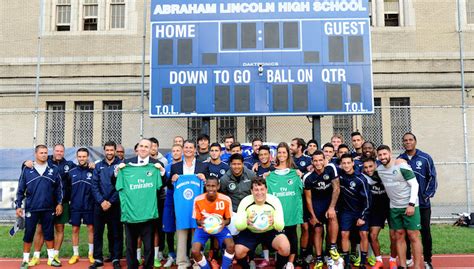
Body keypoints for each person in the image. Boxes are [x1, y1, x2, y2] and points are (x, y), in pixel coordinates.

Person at [117, 138, 165, 269]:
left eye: (146, 147)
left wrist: (161, 171)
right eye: (141, 146)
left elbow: (163, 185)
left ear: (151, 150)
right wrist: (116, 172)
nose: (143, 149)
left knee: (148, 246)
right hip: (130, 213)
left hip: (148, 213)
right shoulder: (126, 164)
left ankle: (148, 267)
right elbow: (115, 183)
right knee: (130, 246)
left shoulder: (156, 165)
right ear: (137, 148)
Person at [24, 144, 75, 267]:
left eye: (61, 151)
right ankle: (36, 256)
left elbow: (82, 167)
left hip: (61, 203)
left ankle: (54, 256)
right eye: (57, 150)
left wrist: (92, 165)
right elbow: (32, 165)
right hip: (44, 203)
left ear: (64, 152)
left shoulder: (70, 165)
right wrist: (25, 162)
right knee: (40, 229)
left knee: (59, 228)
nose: (59, 153)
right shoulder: (46, 161)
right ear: (53, 151)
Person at [16, 145, 63, 269]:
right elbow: (20, 189)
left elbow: (59, 189)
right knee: (29, 234)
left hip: (49, 208)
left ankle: (51, 259)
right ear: (35, 154)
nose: (44, 155)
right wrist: (18, 205)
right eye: (41, 152)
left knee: (49, 233)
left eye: (46, 152)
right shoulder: (27, 169)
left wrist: (59, 203)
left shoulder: (54, 169)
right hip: (32, 208)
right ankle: (25, 260)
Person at [376, 145, 423, 269]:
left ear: (390, 153)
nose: (382, 157)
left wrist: (411, 204)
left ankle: (417, 266)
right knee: (399, 235)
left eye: (385, 154)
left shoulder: (401, 165)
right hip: (394, 208)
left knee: (413, 235)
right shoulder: (379, 170)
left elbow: (415, 184)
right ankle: (402, 265)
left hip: (410, 206)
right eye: (380, 155)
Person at [398, 132, 437, 269]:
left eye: (410, 140)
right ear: (403, 143)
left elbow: (432, 178)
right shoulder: (399, 160)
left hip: (423, 204)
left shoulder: (425, 158)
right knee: (408, 232)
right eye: (405, 140)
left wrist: (426, 195)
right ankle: (408, 258)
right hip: (407, 204)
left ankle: (427, 260)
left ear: (415, 141)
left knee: (425, 232)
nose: (408, 142)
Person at [233, 177, 291, 269]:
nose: (259, 192)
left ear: (266, 190)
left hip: (270, 231)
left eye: (262, 189)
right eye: (256, 190)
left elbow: (280, 226)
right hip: (250, 232)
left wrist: (274, 222)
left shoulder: (274, 200)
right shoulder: (245, 201)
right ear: (251, 191)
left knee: (285, 247)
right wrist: (246, 222)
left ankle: (279, 267)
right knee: (238, 251)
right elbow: (239, 226)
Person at [169, 140, 209, 269]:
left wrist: (205, 179)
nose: (188, 150)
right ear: (182, 149)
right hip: (182, 206)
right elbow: (170, 185)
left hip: (198, 205)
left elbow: (209, 185)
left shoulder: (203, 166)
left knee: (197, 232)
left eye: (190, 147)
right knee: (181, 232)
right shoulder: (175, 166)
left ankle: (198, 261)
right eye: (186, 147)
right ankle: (182, 262)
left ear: (195, 150)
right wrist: (172, 180)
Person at [266, 142, 304, 269]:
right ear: (276, 155)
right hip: (277, 214)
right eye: (280, 152)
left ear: (288, 154)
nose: (282, 155)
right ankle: (281, 260)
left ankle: (290, 262)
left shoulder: (295, 173)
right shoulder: (270, 175)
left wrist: (300, 176)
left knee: (292, 235)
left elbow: (302, 190)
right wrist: (266, 177)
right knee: (279, 237)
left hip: (291, 212)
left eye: (284, 152)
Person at [303, 151, 341, 269]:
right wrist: (313, 216)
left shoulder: (331, 168)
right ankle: (319, 258)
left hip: (329, 202)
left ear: (325, 160)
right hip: (316, 205)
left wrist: (331, 207)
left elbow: (336, 188)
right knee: (318, 230)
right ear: (312, 162)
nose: (318, 163)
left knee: (332, 217)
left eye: (320, 160)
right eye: (315, 160)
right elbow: (308, 199)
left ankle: (333, 247)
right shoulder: (307, 177)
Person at [90, 141, 123, 269]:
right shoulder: (98, 166)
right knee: (98, 233)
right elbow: (94, 185)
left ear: (115, 151)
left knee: (115, 232)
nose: (109, 152)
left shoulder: (121, 165)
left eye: (111, 150)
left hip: (114, 205)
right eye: (107, 150)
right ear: (104, 151)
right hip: (100, 205)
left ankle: (115, 258)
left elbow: (121, 186)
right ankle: (98, 259)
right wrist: (102, 201)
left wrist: (110, 201)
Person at [191, 176, 235, 269]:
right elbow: (197, 221)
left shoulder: (226, 199)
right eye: (208, 186)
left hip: (219, 227)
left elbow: (228, 220)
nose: (211, 188)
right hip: (203, 228)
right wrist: (202, 223)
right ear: (205, 186)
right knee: (195, 251)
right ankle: (206, 267)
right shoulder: (198, 200)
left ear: (218, 186)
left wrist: (223, 222)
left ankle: (225, 267)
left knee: (231, 246)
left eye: (213, 186)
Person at [361, 158, 396, 269]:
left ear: (375, 165)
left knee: (394, 236)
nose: (368, 169)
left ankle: (393, 260)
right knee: (373, 235)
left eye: (370, 166)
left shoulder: (384, 174)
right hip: (376, 210)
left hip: (390, 207)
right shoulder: (364, 177)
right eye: (366, 167)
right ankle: (378, 260)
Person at [338, 154, 371, 269]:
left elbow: (367, 199)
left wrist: (362, 216)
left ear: (353, 163)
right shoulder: (339, 176)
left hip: (361, 211)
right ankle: (346, 263)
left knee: (363, 234)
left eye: (348, 163)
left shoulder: (361, 179)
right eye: (344, 163)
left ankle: (362, 263)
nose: (346, 165)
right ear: (341, 164)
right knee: (344, 234)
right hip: (346, 212)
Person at [67, 148, 95, 265]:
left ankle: (91, 254)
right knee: (75, 229)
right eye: (80, 156)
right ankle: (75, 254)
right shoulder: (71, 172)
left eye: (84, 156)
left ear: (87, 157)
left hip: (89, 205)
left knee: (91, 229)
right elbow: (67, 189)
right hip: (75, 206)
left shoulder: (93, 170)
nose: (82, 158)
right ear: (77, 157)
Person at [289, 138, 312, 265]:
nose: (290, 147)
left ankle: (305, 253)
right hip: (290, 198)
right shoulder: (288, 160)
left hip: (303, 198)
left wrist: (302, 174)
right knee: (291, 228)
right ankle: (292, 253)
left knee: (305, 227)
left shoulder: (309, 160)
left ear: (300, 147)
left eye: (292, 145)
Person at [162, 144, 184, 267]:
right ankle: (171, 254)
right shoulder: (168, 166)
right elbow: (163, 183)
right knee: (169, 228)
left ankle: (185, 254)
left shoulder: (186, 166)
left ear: (182, 152)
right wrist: (170, 179)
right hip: (170, 198)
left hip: (184, 200)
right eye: (173, 151)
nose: (175, 153)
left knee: (184, 227)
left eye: (178, 150)